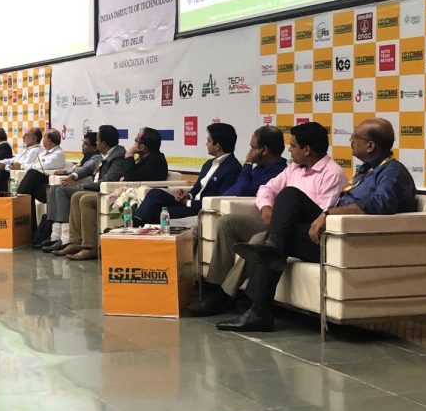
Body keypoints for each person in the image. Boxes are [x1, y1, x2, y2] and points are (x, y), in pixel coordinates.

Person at [214, 119, 409, 332]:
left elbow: (380, 205)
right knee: (278, 229)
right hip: (333, 234)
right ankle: (258, 308)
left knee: (286, 207)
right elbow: (268, 189)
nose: (351, 140)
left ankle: (257, 309)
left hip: (347, 243)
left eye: (355, 137)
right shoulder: (367, 171)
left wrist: (329, 213)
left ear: (370, 145)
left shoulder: (391, 172)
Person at [186, 125, 288, 316]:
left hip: (268, 223)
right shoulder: (258, 169)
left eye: (253, 147)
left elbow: (240, 191)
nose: (249, 152)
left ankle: (223, 296)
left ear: (263, 150)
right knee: (227, 222)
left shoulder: (278, 172)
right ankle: (215, 286)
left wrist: (247, 165)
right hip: (254, 218)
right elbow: (231, 193)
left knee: (256, 239)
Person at [57, 127, 169, 261]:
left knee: (86, 199)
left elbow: (130, 177)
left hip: (137, 199)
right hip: (123, 193)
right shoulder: (142, 158)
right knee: (76, 196)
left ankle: (90, 247)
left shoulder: (156, 160)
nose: (133, 144)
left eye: (136, 141)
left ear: (142, 147)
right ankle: (76, 242)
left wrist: (129, 155)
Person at [40, 125, 129, 253]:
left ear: (104, 144)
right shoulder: (106, 153)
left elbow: (106, 181)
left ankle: (66, 238)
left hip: (103, 191)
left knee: (63, 191)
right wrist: (73, 176)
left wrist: (80, 186)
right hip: (94, 187)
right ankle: (58, 236)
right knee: (55, 188)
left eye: (97, 141)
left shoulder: (118, 156)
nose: (96, 144)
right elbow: (87, 169)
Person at [133, 123, 241, 227]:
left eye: (208, 141)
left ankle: (133, 225)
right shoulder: (208, 164)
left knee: (156, 213)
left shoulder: (233, 168)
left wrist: (188, 202)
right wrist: (187, 195)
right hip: (188, 203)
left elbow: (219, 201)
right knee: (155, 193)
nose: (206, 144)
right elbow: (197, 188)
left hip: (199, 209)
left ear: (217, 146)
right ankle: (134, 223)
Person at [30, 132, 101, 248]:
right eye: (83, 143)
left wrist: (70, 174)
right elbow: (77, 168)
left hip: (87, 187)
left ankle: (65, 237)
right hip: (80, 185)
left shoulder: (96, 158)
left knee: (60, 190)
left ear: (95, 147)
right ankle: (55, 235)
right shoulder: (86, 158)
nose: (82, 146)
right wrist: (68, 172)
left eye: (86, 144)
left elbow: (85, 169)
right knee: (53, 188)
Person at [0, 127, 43, 193]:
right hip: (12, 175)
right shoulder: (26, 149)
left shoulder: (36, 151)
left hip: (20, 178)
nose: (23, 137)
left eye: (26, 135)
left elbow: (20, 166)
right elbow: (13, 160)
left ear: (34, 138)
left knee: (0, 173)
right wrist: (0, 162)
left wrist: (5, 166)